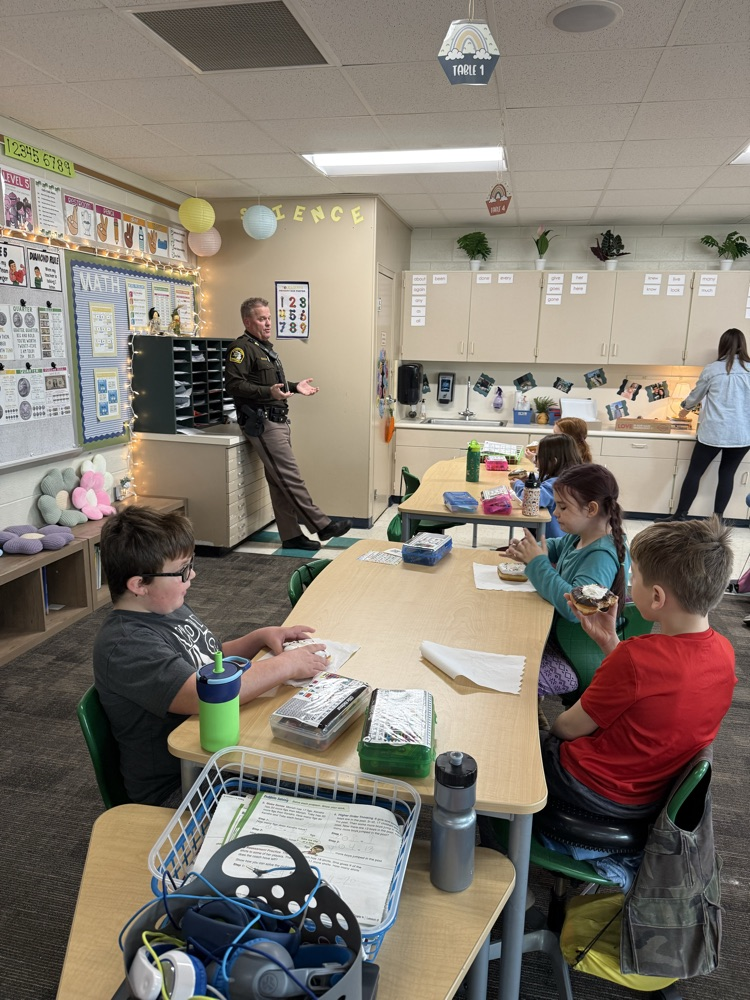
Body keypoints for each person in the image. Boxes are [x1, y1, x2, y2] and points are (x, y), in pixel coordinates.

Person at [93, 506, 328, 805]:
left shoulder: (168, 607)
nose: (193, 574)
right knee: (312, 781)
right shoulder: (127, 645)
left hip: (211, 760)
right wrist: (287, 664)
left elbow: (211, 660)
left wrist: (257, 638)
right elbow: (206, 693)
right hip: (184, 784)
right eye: (181, 570)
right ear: (139, 585)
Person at [541, 516, 736, 825]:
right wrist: (610, 642)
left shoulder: (636, 658)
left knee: (509, 748)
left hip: (592, 790)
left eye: (635, 576)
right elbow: (654, 689)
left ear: (657, 597)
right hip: (650, 796)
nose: (630, 582)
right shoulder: (724, 652)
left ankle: (501, 842)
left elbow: (566, 728)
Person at [225, 296, 352, 551]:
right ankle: (322, 525)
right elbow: (234, 385)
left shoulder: (264, 348)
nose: (268, 322)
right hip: (262, 422)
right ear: (247, 321)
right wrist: (268, 393)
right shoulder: (241, 349)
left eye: (269, 317)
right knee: (290, 477)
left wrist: (295, 386)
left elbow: (272, 385)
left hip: (279, 421)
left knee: (279, 480)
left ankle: (291, 535)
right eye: (262, 319)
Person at [505, 464, 628, 702]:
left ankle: (529, 709)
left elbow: (578, 609)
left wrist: (537, 563)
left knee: (509, 655)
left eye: (562, 507)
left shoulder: (601, 555)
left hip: (576, 648)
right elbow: (556, 547)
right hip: (560, 634)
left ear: (591, 509)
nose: (555, 513)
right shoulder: (581, 535)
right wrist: (529, 550)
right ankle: (533, 705)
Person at [669, 328, 750, 520]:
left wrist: (684, 408)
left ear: (722, 345)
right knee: (727, 474)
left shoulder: (713, 369)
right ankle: (717, 519)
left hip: (713, 431)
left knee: (695, 472)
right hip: (742, 434)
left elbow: (695, 396)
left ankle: (680, 515)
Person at [512, 433, 581, 538]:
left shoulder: (558, 484)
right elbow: (542, 485)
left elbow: (531, 499)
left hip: (550, 544)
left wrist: (517, 485)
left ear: (553, 461)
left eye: (538, 457)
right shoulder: (568, 477)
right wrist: (529, 482)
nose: (535, 461)